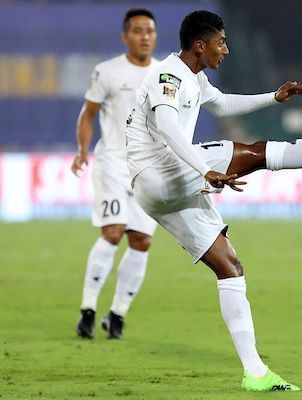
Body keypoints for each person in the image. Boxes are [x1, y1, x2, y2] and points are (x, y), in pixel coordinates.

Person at [125, 10, 302, 392]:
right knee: (259, 153)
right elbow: (169, 126)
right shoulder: (167, 77)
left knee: (229, 266)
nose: (227, 49)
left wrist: (274, 97)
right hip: (161, 173)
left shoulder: (194, 76)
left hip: (162, 191)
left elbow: (221, 105)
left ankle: (254, 372)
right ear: (199, 45)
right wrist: (201, 168)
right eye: (221, 42)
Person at [71, 8, 158, 339]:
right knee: (112, 232)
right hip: (112, 162)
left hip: (148, 167)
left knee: (142, 239)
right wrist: (81, 151)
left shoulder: (165, 74)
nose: (145, 36)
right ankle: (88, 310)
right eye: (137, 31)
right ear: (125, 36)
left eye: (149, 31)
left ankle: (117, 315)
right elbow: (88, 114)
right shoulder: (107, 72)